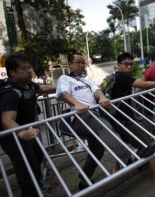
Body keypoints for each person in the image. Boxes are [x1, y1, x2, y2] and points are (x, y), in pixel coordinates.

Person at [56, 53, 131, 190]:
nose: (81, 65)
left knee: (97, 150)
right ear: (70, 65)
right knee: (104, 125)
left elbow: (97, 91)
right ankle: (126, 155)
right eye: (78, 62)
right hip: (80, 118)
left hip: (93, 116)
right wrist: (77, 104)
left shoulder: (86, 80)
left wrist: (102, 98)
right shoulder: (65, 78)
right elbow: (63, 94)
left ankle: (83, 180)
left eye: (83, 63)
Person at [107, 52, 155, 188]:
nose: (129, 67)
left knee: (125, 143)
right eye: (126, 64)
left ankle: (116, 169)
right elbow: (144, 85)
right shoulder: (122, 77)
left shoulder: (119, 77)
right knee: (147, 145)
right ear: (118, 65)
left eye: (131, 64)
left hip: (118, 119)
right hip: (124, 120)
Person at [0, 53, 56, 196]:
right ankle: (30, 192)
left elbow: (43, 89)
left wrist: (66, 86)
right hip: (12, 136)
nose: (29, 71)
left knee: (38, 155)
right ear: (12, 72)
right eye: (24, 68)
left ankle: (36, 186)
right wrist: (22, 133)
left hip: (27, 133)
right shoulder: (10, 92)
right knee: (26, 167)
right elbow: (7, 120)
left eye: (29, 67)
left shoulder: (28, 85)